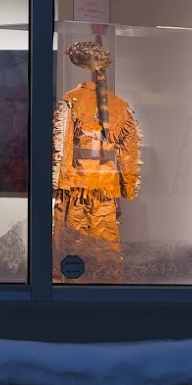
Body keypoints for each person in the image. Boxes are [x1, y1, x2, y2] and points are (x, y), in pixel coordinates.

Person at [52, 41, 140, 281]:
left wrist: (60, 186)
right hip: (105, 184)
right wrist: (126, 189)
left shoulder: (72, 100)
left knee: (72, 241)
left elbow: (62, 145)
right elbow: (128, 152)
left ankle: (72, 285)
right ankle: (106, 286)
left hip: (77, 183)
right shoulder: (120, 105)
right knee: (104, 241)